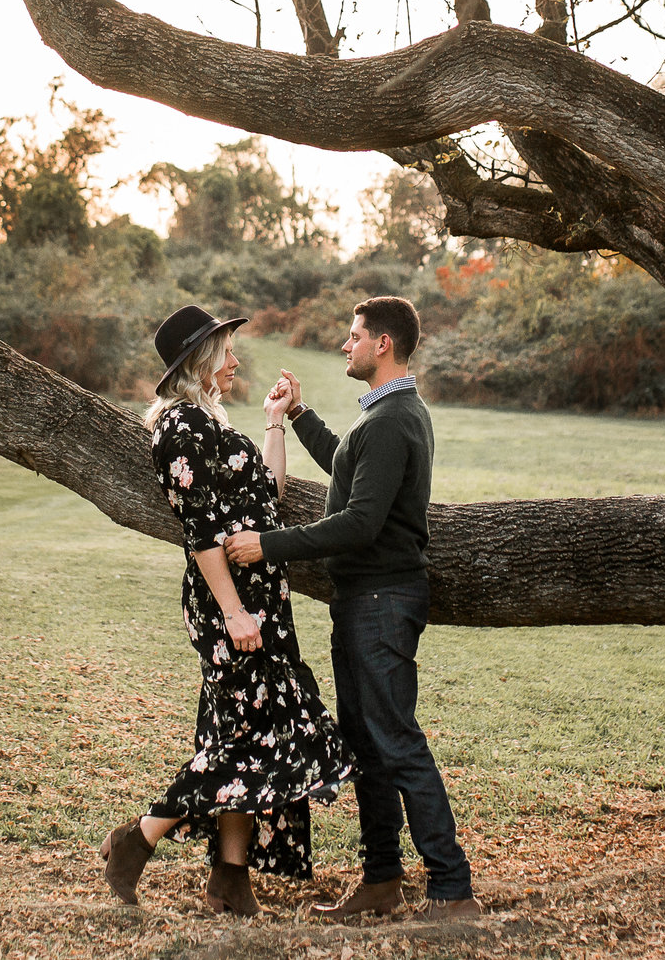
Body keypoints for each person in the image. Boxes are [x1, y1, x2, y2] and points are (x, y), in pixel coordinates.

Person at [223, 295, 481, 921]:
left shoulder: (395, 418)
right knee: (367, 744)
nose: (345, 344)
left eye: (354, 335)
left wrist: (268, 546)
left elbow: (361, 521)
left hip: (383, 600)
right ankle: (382, 880)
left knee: (395, 741)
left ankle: (451, 888)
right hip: (363, 600)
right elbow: (350, 464)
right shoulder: (386, 416)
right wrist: (299, 414)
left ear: (382, 344)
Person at [99, 303, 357, 918]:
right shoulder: (177, 429)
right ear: (203, 361)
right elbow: (202, 534)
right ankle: (137, 839)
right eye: (227, 350)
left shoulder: (211, 421)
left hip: (264, 595)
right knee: (247, 739)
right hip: (231, 603)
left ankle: (230, 878)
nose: (236, 360)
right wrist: (236, 613)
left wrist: (274, 422)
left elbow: (268, 496)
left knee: (248, 732)